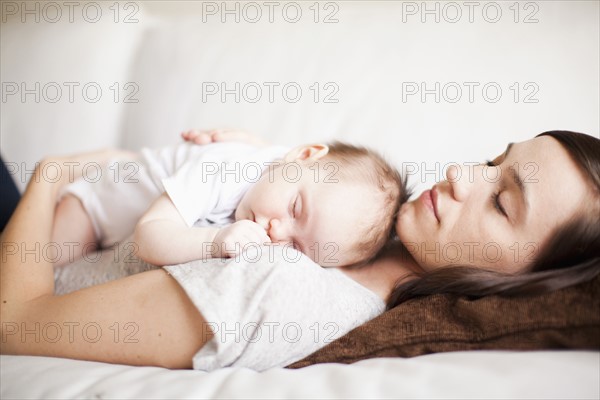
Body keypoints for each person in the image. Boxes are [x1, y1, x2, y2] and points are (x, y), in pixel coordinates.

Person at [1, 130, 599, 370]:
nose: (463, 174)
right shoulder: (373, 227)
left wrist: (50, 176)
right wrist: (251, 157)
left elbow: (13, 324)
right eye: (495, 162)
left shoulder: (288, 294)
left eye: (502, 202)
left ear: (523, 283)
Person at [51, 132, 406, 268]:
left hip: (116, 222)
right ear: (303, 155)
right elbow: (148, 237)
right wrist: (215, 241)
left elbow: (270, 154)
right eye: (295, 209)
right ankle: (103, 160)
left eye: (296, 247)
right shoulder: (223, 171)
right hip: (93, 201)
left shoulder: (288, 172)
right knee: (47, 265)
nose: (276, 232)